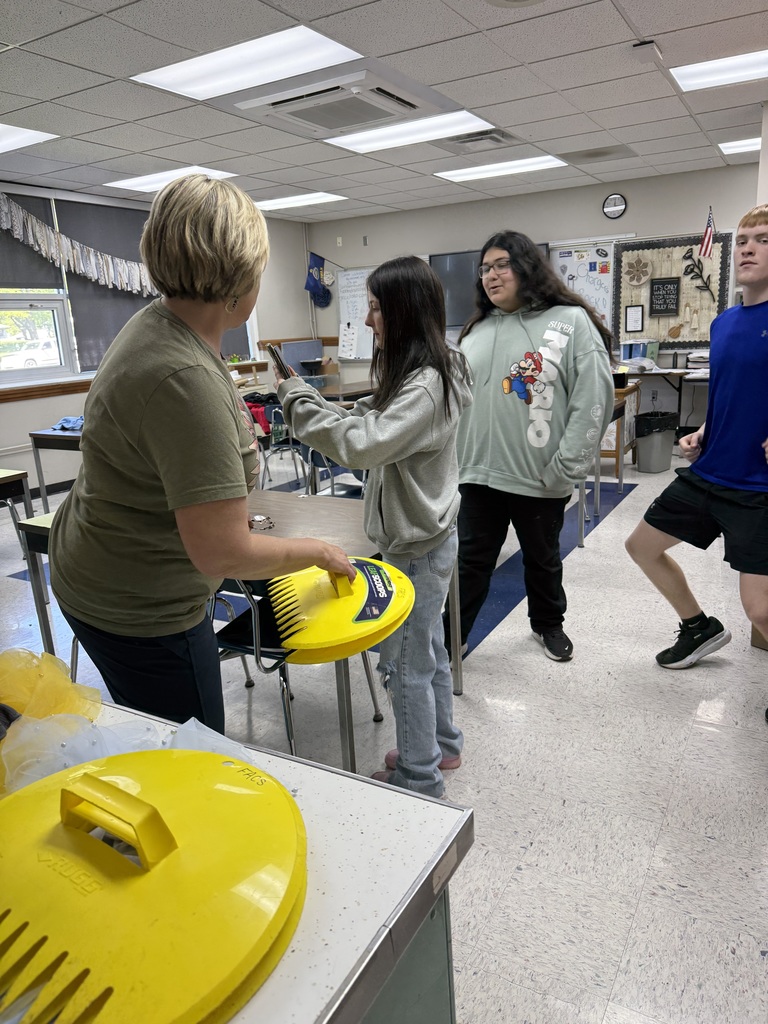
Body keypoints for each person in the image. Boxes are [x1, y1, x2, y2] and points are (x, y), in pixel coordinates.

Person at [50, 175, 353, 732]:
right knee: (193, 761)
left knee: (157, 738)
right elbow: (222, 554)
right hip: (140, 605)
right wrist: (317, 551)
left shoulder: (160, 325)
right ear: (241, 276)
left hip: (98, 562)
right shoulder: (183, 376)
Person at [275, 255, 473, 799]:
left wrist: (295, 402)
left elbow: (363, 445)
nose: (368, 322)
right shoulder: (425, 368)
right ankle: (442, 743)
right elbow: (373, 417)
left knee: (405, 663)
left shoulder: (428, 383)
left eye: (377, 309)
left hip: (418, 545)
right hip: (422, 539)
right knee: (424, 648)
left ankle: (419, 776)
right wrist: (319, 403)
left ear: (404, 311)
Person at [444, 230, 614, 662]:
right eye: (484, 268)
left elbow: (593, 396)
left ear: (526, 268)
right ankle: (450, 640)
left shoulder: (569, 321)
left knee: (541, 559)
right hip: (478, 473)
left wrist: (565, 467)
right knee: (472, 564)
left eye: (501, 265)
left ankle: (548, 624)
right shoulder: (475, 330)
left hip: (540, 473)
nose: (491, 275)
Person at [626, 204, 768, 669]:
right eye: (744, 240)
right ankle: (698, 627)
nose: (748, 248)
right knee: (642, 547)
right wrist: (703, 431)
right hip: (709, 472)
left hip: (758, 487)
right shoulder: (723, 323)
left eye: (764, 240)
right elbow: (732, 394)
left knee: (760, 608)